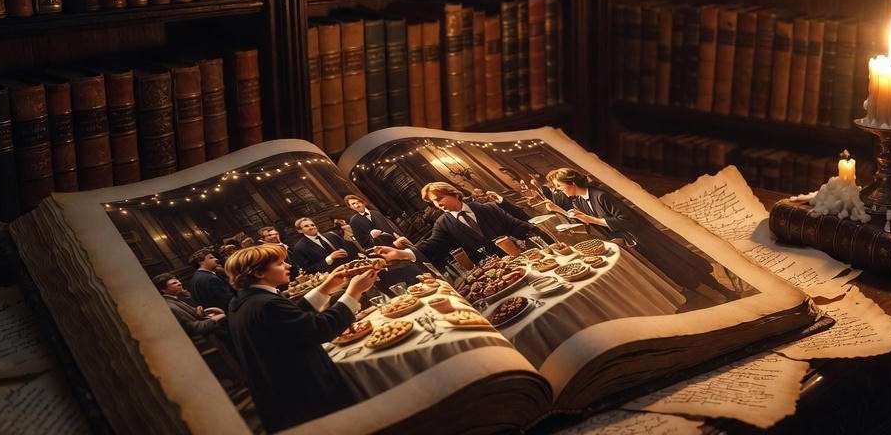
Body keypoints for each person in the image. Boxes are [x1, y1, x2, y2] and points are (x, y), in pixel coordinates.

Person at [225, 244, 379, 431]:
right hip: (303, 390)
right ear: (258, 273)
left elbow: (293, 321)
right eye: (280, 263)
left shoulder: (245, 301)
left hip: (279, 391)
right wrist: (353, 293)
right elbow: (319, 329)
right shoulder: (266, 304)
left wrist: (327, 286)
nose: (288, 266)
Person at [544, 167, 741, 301]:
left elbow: (628, 221)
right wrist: (560, 211)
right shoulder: (578, 201)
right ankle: (710, 296)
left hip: (646, 237)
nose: (558, 190)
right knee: (673, 272)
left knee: (682, 264)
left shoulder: (601, 195)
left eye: (559, 186)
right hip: (635, 242)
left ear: (570, 183)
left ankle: (725, 292)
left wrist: (593, 220)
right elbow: (588, 221)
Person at [374, 181, 539, 269]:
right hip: (494, 272)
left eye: (439, 199)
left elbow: (519, 226)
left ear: (453, 193)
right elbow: (430, 246)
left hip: (522, 261)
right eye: (434, 203)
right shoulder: (443, 224)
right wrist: (401, 254)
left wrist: (543, 233)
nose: (438, 205)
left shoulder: (487, 208)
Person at [154, 273, 225, 340]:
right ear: (163, 290)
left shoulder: (175, 299)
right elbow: (193, 328)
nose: (180, 283)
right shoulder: (171, 306)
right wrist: (216, 318)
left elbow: (195, 314)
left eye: (178, 281)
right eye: (174, 283)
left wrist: (205, 313)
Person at [290, 217, 360, 274]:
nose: (311, 227)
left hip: (352, 269)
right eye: (306, 226)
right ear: (300, 230)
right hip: (332, 277)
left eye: (312, 225)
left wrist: (346, 251)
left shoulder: (332, 235)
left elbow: (349, 249)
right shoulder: (299, 247)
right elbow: (308, 269)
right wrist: (329, 258)